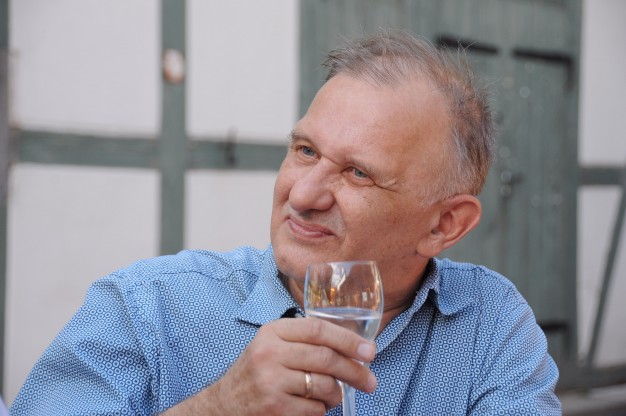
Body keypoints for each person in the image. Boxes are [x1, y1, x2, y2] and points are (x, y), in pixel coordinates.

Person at [10, 31, 560, 415]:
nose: (301, 193)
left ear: (443, 225)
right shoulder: (148, 307)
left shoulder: (489, 325)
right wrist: (219, 408)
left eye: (358, 173)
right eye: (304, 150)